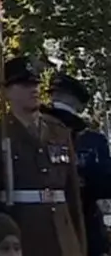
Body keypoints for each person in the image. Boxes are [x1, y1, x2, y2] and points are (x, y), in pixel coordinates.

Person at [0, 57, 85, 256]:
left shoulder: (59, 130)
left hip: (62, 236)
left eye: (35, 83)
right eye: (24, 85)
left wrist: (79, 242)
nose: (33, 89)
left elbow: (73, 195)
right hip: (21, 234)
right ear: (5, 91)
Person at [42, 73, 111, 256]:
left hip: (43, 224)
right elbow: (104, 186)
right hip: (84, 225)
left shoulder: (32, 130)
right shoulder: (93, 141)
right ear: (79, 104)